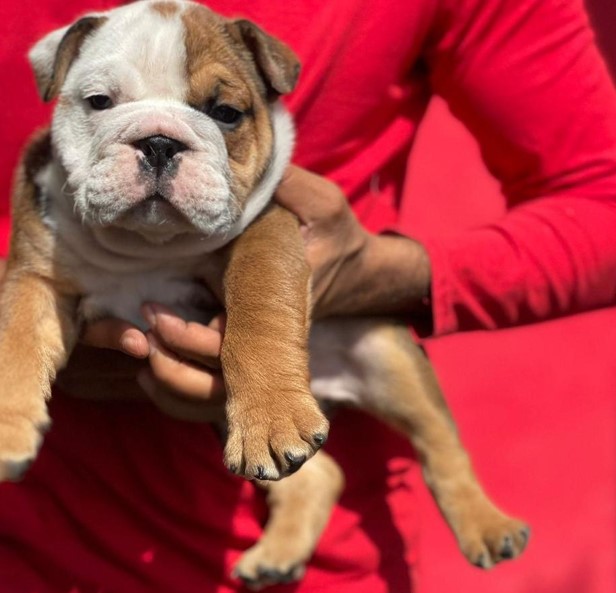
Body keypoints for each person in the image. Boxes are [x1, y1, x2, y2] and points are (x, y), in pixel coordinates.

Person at [1, 0, 615, 592]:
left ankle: (451, 481)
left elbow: (601, 200)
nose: (160, 144)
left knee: (380, 352)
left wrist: (382, 274)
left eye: (222, 112)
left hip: (336, 556)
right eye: (105, 102)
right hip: (31, 541)